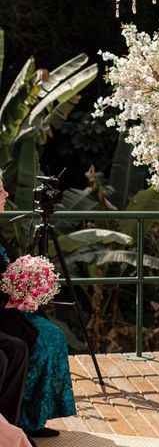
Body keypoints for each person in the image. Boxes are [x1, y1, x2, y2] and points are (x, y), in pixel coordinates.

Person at [0, 171, 77, 438]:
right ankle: (14, 426)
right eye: (0, 191)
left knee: (54, 335)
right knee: (43, 339)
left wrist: (30, 285)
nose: (6, 195)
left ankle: (31, 419)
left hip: (11, 308)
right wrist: (8, 299)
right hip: (3, 313)